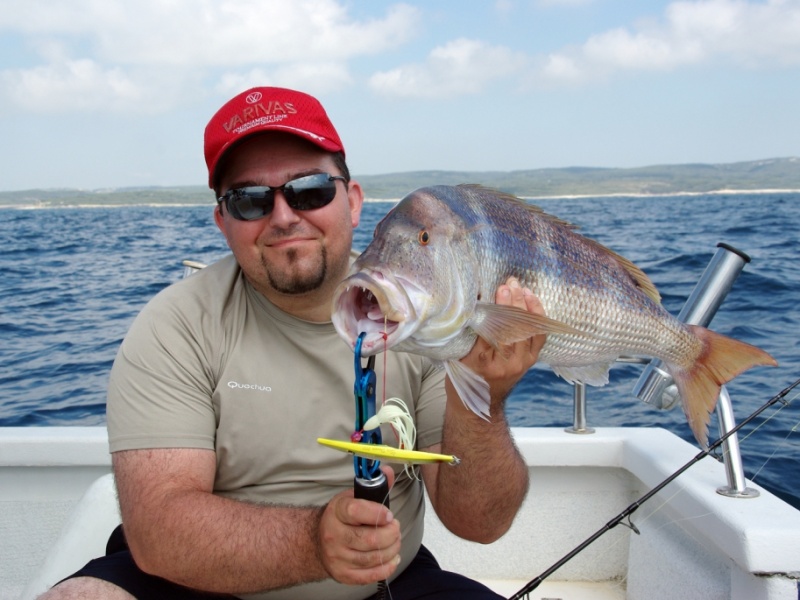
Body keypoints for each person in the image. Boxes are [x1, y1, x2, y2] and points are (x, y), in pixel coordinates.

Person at [40, 86, 546, 600]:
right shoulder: (176, 325)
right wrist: (314, 543)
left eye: (309, 190)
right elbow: (158, 530)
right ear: (222, 221)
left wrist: (487, 398)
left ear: (351, 202)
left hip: (387, 583)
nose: (283, 217)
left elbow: (479, 523)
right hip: (194, 586)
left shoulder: (430, 315)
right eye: (249, 199)